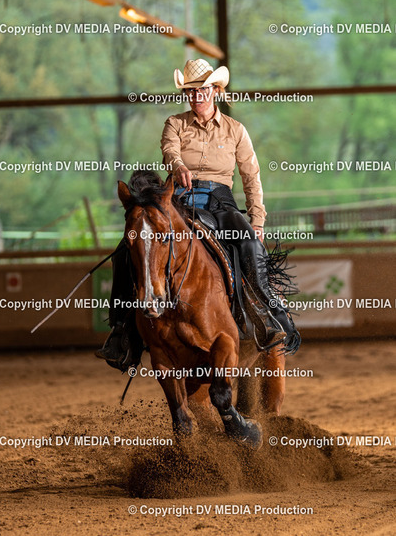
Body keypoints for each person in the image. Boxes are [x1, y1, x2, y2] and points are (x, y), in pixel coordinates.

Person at [96, 59, 300, 369]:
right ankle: (122, 331)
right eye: (190, 91)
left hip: (220, 202)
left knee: (249, 243)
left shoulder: (235, 130)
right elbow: (169, 150)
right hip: (179, 200)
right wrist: (178, 166)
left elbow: (251, 177)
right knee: (128, 248)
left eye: (202, 90)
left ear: (215, 90)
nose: (196, 96)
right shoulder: (175, 124)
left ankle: (270, 315)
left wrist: (257, 221)